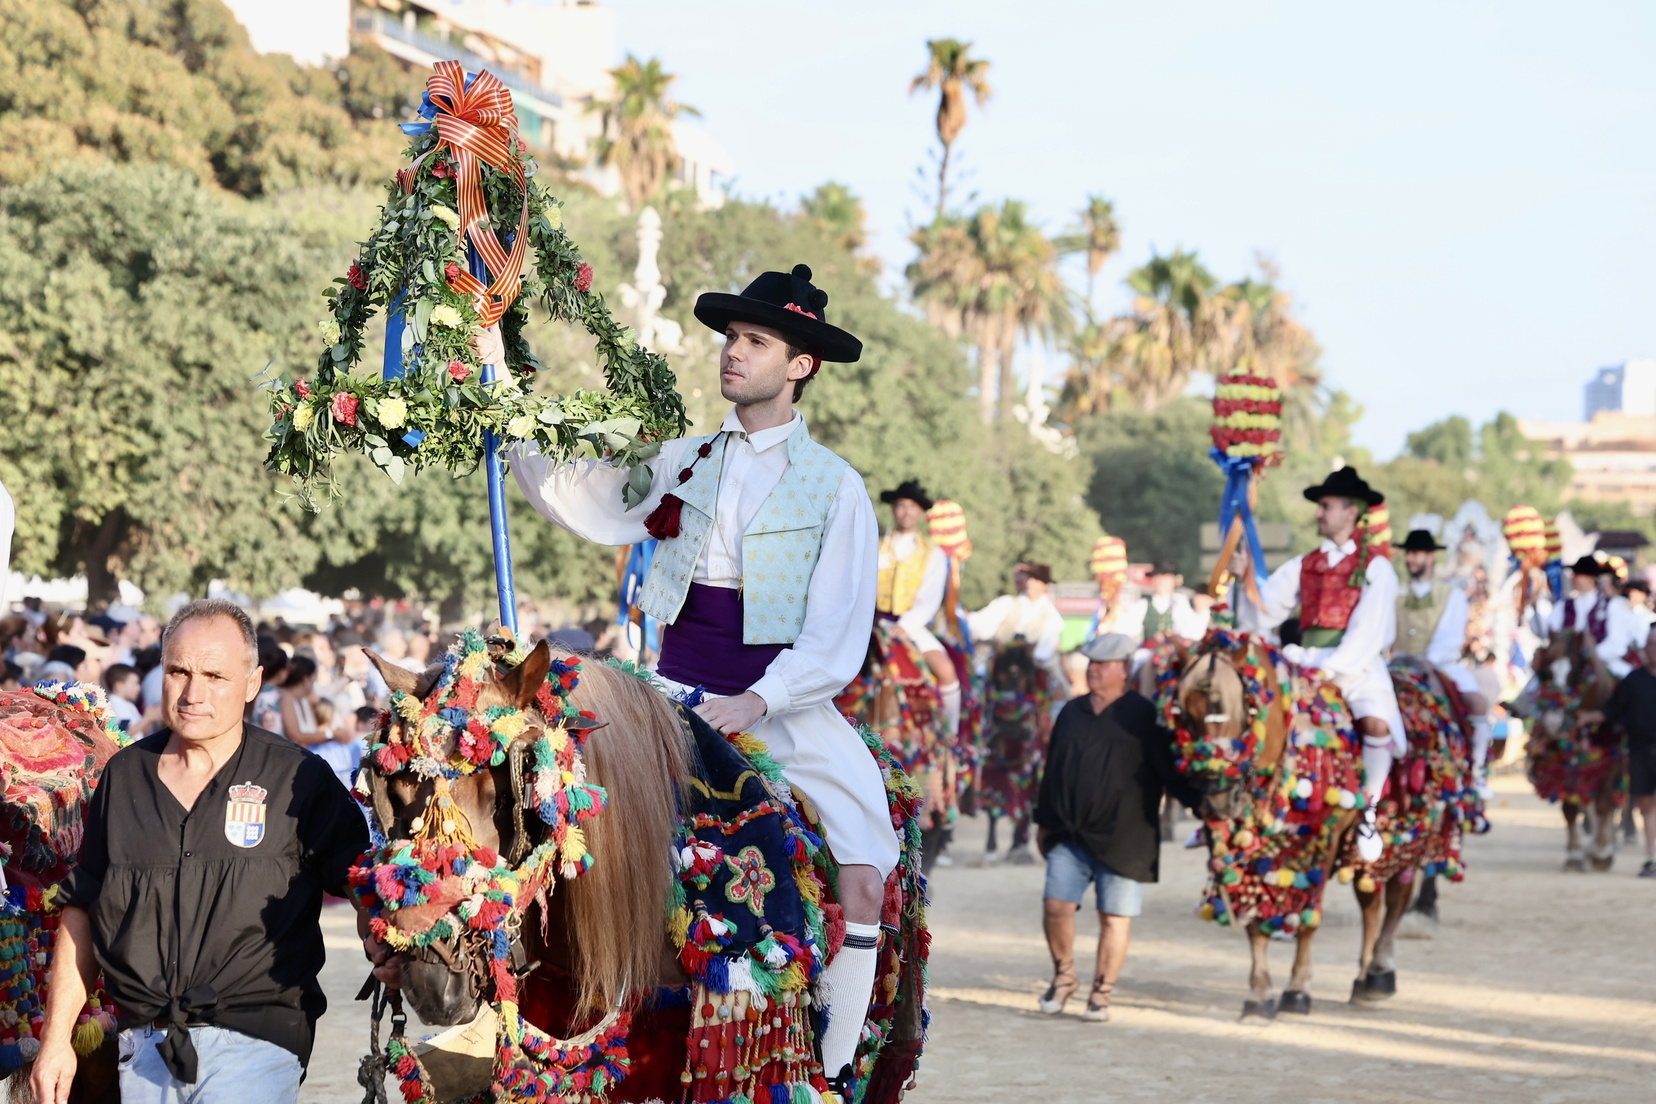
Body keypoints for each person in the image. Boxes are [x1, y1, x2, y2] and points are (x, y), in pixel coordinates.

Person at [510, 262, 892, 1097]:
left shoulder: (838, 487)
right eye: (731, 338)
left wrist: (757, 700)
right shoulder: (681, 460)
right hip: (668, 697)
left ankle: (825, 1071)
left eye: (755, 342)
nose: (733, 352)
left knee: (866, 873)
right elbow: (585, 497)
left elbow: (837, 634)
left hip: (784, 707)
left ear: (800, 365)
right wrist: (505, 406)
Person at [30, 599, 368, 1104]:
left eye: (215, 676)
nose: (193, 693)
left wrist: (384, 944)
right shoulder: (124, 777)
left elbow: (361, 879)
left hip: (260, 1038)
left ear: (252, 683)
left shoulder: (298, 778)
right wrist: (56, 1040)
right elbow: (84, 909)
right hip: (144, 1045)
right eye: (179, 672)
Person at [1231, 466, 1403, 862]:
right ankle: (1238, 805)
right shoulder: (1304, 563)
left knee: (1376, 723)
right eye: (1320, 506)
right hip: (1303, 660)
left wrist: (1329, 671)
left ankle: (1368, 813)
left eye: (1326, 506)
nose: (1318, 514)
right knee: (1252, 709)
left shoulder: (1376, 567)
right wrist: (1246, 580)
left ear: (1351, 511)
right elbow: (1267, 610)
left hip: (1356, 667)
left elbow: (1369, 631)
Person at [1032, 633, 1200, 1023]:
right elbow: (1052, 770)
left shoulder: (1145, 715)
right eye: (1091, 663)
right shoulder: (1071, 712)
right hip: (1069, 831)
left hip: (1126, 836)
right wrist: (1043, 821)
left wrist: (1204, 802)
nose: (1093, 670)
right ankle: (1064, 976)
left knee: (1114, 917)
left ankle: (1101, 992)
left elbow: (1170, 773)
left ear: (1124, 670)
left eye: (1102, 665)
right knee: (1056, 907)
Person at [1391, 529, 1495, 794]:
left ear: (1431, 557)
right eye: (1409, 553)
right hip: (1399, 662)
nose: (1411, 559)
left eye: (1417, 553)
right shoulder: (1396, 592)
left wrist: (1429, 660)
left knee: (1477, 703)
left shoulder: (1451, 594)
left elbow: (1450, 636)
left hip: (1438, 664)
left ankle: (1476, 771)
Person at [875, 479, 962, 735]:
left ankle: (950, 735)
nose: (906, 512)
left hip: (910, 625)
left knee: (945, 670)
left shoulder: (933, 553)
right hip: (872, 623)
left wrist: (905, 626)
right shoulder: (876, 547)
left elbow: (930, 599)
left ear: (921, 512)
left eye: (912, 506)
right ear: (893, 509)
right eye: (901, 505)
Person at [1581, 628, 1656, 877]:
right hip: (1641, 750)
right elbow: (1611, 710)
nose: (1653, 649)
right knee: (1647, 803)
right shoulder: (1634, 680)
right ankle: (1651, 858)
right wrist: (1585, 718)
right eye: (1650, 643)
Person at [1549, 556, 1645, 677]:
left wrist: (1589, 655)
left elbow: (1617, 643)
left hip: (1605, 663)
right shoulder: (1564, 606)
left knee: (1629, 680)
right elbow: (1549, 631)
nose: (1573, 578)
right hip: (1568, 663)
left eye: (1577, 575)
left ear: (1590, 578)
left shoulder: (1612, 605)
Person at [967, 562, 1066, 679]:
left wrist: (1032, 655)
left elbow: (1046, 648)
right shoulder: (1007, 603)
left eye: (1036, 579)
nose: (1030, 583)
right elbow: (982, 624)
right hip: (1001, 658)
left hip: (1033, 665)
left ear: (1044, 584)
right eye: (1029, 578)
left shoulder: (1051, 615)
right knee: (978, 673)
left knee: (1053, 680)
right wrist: (996, 644)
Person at [103, 662, 144, 733]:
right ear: (119, 686)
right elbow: (123, 734)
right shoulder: (114, 706)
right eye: (134, 684)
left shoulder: (128, 704)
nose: (138, 688)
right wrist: (148, 719)